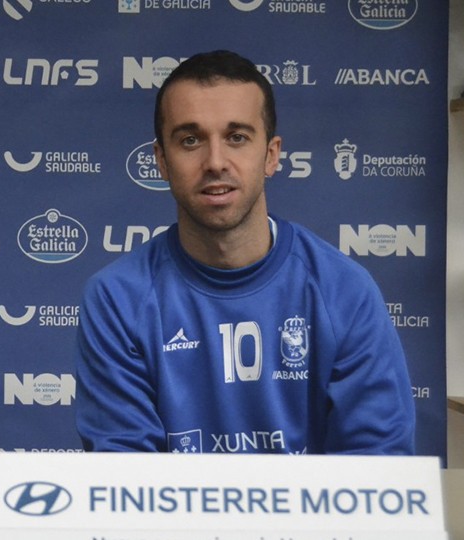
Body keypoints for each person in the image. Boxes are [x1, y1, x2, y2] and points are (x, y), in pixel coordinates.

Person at [75, 50, 414, 455]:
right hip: (173, 519)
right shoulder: (117, 299)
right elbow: (126, 482)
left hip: (314, 520)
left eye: (237, 137)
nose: (215, 162)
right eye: (190, 140)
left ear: (271, 155)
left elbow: (379, 472)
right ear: (161, 160)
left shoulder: (344, 291)